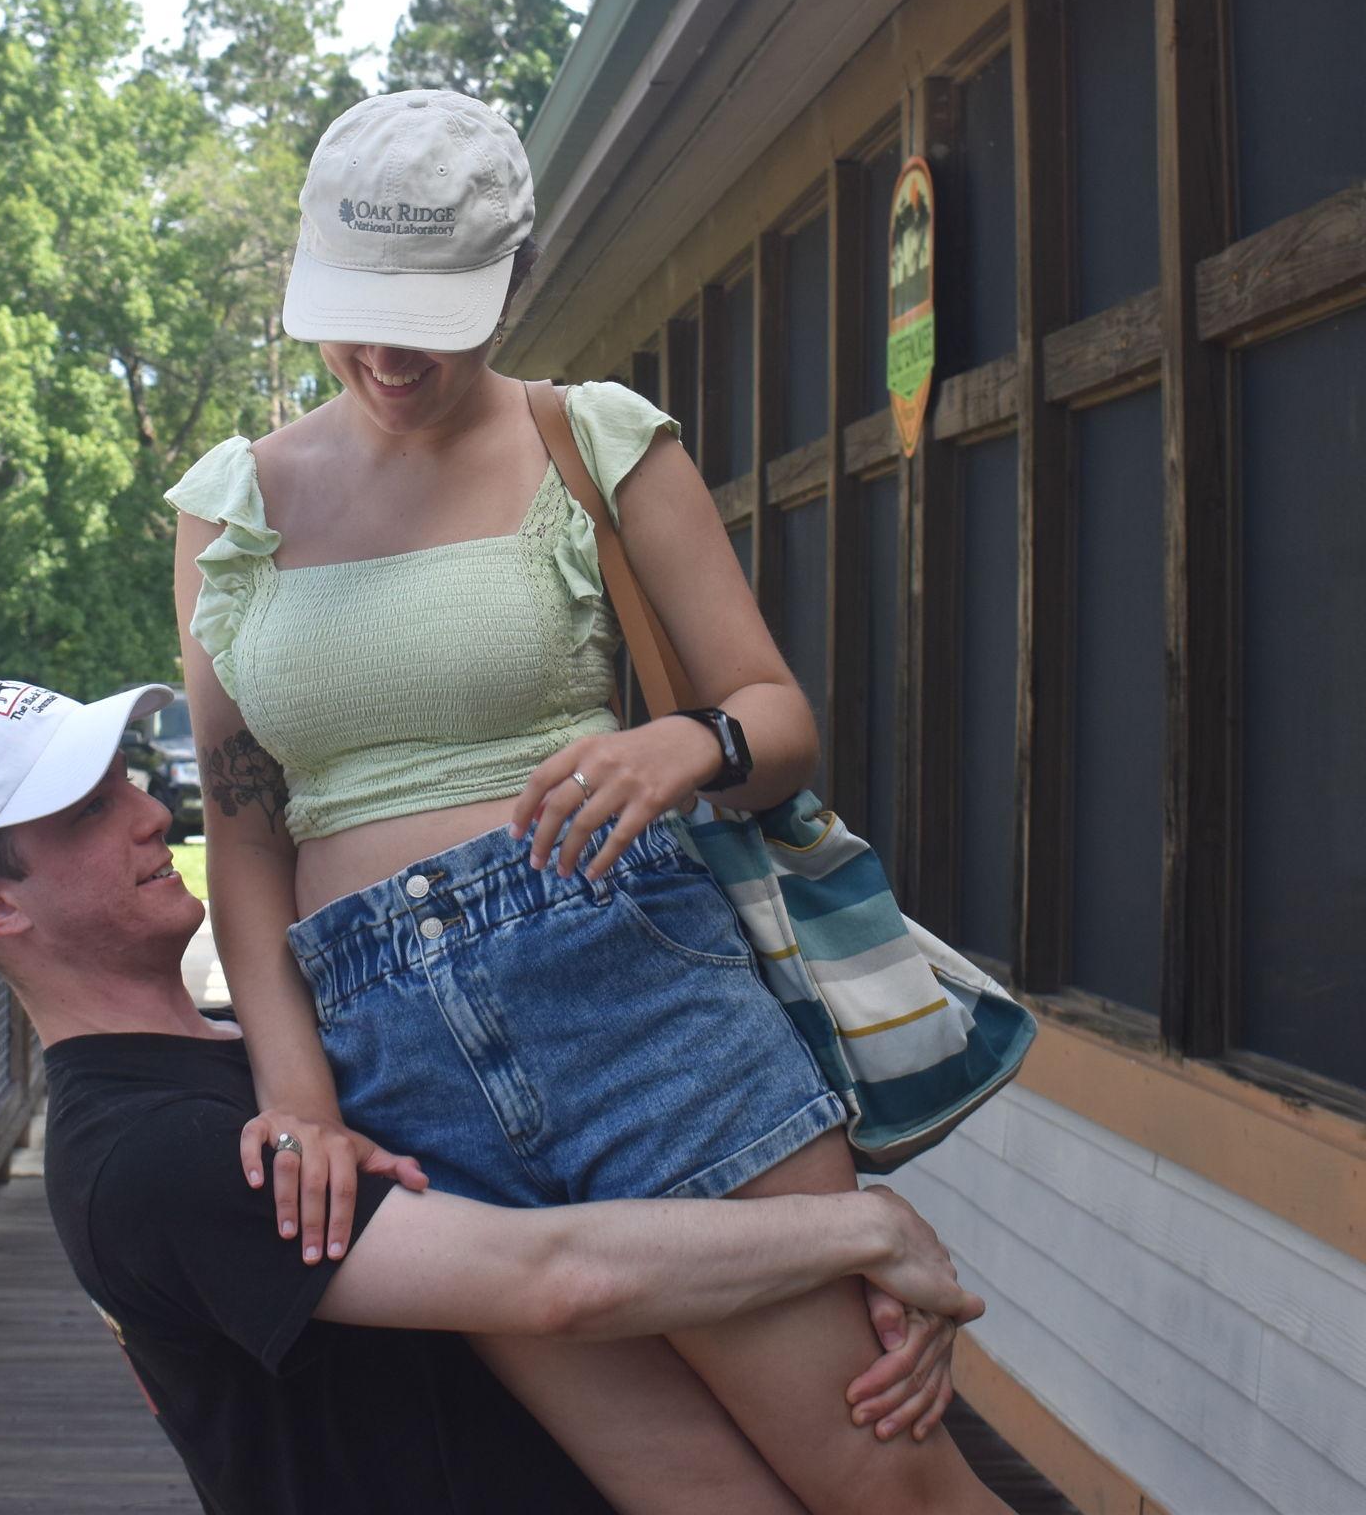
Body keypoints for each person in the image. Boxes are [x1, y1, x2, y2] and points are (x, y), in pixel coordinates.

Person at [165, 88, 1010, 1514]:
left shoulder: (594, 439)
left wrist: (688, 745)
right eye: (354, 309)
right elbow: (245, 829)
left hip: (634, 999)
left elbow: (778, 717)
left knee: (887, 1485)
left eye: (431, 314)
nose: (384, 353)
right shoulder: (228, 508)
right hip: (393, 1070)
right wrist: (297, 1090)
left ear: (519, 280)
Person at [0, 679, 987, 1515]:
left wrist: (837, 1290)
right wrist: (857, 1228)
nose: (151, 812)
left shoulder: (266, 1065)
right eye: (83, 812)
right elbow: (550, 1278)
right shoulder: (149, 1158)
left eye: (125, 778)